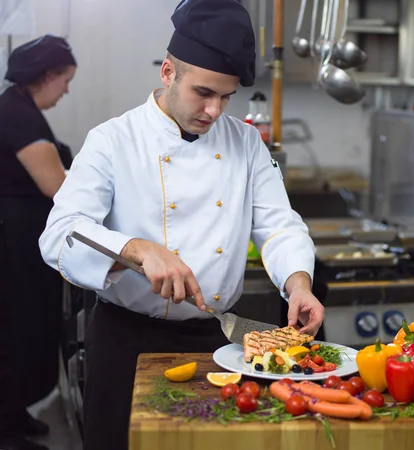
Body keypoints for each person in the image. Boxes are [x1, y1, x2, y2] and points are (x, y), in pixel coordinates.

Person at [38, 1, 325, 449]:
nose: (214, 111)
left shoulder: (246, 141)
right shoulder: (113, 140)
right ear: (168, 72)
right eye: (204, 92)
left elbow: (279, 224)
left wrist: (299, 284)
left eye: (226, 97)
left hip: (216, 339)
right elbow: (60, 232)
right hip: (126, 339)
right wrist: (138, 250)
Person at [0, 34, 77, 450]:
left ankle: (13, 414)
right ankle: (5, 430)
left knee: (25, 328)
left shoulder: (20, 107)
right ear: (47, 75)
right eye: (65, 80)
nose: (66, 90)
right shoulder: (18, 115)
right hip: (12, 245)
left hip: (22, 239)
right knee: (16, 330)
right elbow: (56, 186)